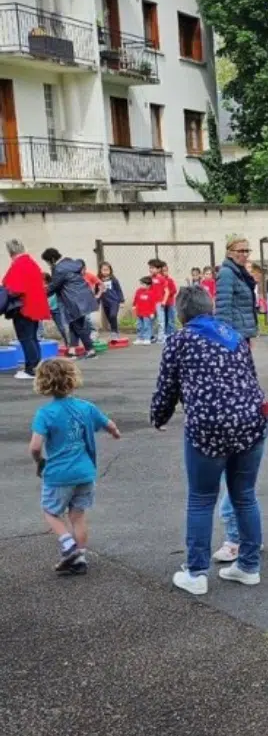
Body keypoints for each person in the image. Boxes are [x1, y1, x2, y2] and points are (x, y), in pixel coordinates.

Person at [151, 286, 268, 596]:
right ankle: (248, 566)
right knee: (244, 495)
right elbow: (250, 378)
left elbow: (167, 388)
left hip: (208, 428)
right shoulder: (235, 336)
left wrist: (159, 417)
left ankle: (196, 572)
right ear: (211, 307)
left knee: (202, 498)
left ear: (180, 314)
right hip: (251, 422)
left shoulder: (179, 340)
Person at [29, 358, 121, 573]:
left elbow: (35, 446)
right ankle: (80, 559)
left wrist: (39, 461)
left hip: (58, 474)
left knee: (51, 512)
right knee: (78, 516)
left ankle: (68, 544)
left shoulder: (45, 413)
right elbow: (110, 425)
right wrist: (115, 433)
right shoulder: (86, 407)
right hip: (86, 472)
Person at [2, 239, 51, 379]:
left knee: (25, 339)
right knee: (32, 338)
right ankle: (36, 367)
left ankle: (31, 369)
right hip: (35, 307)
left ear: (10, 252)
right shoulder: (31, 263)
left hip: (24, 308)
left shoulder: (19, 265)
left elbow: (15, 288)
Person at [42, 248, 98, 360]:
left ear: (52, 259)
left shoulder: (59, 269)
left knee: (79, 325)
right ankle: (72, 350)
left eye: (47, 261)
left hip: (73, 299)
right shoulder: (70, 263)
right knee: (74, 323)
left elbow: (54, 286)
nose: (48, 264)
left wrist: (39, 294)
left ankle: (90, 350)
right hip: (83, 296)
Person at [215, 237, 259, 341]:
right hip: (234, 333)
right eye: (240, 251)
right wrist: (225, 336)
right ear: (229, 253)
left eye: (247, 251)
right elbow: (223, 307)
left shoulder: (241, 272)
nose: (245, 254)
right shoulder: (227, 272)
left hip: (243, 332)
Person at [97, 262, 125, 341]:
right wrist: (97, 302)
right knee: (109, 318)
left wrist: (121, 301)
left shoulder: (113, 280)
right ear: (100, 270)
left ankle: (114, 333)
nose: (105, 271)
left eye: (107, 270)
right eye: (104, 270)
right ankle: (114, 329)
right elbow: (97, 292)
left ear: (110, 270)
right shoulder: (98, 280)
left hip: (114, 301)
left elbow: (119, 290)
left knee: (113, 315)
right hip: (105, 302)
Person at [146, 259, 168, 342]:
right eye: (150, 268)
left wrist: (164, 301)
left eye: (152, 268)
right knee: (151, 320)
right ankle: (151, 336)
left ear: (158, 269)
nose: (150, 269)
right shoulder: (149, 279)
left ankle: (161, 337)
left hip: (159, 303)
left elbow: (167, 291)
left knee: (160, 321)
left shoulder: (162, 279)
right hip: (151, 303)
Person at [132, 276, 157, 345]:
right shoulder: (138, 291)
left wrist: (152, 313)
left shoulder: (151, 293)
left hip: (147, 313)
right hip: (139, 312)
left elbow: (153, 304)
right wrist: (134, 305)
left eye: (143, 284)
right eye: (141, 284)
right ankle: (140, 338)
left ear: (148, 285)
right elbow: (135, 299)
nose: (141, 285)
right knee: (139, 326)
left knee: (147, 326)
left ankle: (147, 338)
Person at [160, 263, 178, 334]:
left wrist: (167, 294)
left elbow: (174, 290)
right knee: (164, 318)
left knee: (171, 318)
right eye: (162, 271)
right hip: (162, 303)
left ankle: (171, 332)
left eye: (166, 271)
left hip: (170, 302)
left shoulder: (170, 280)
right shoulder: (160, 281)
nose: (164, 273)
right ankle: (165, 332)